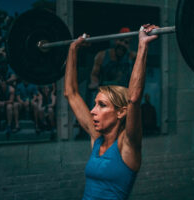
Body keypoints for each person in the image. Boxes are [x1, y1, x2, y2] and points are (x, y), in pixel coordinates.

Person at [64, 24, 158, 200]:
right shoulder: (97, 138)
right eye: (94, 104)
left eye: (102, 105)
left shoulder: (128, 145)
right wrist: (72, 48)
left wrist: (143, 45)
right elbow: (71, 93)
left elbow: (134, 99)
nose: (92, 111)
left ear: (121, 112)